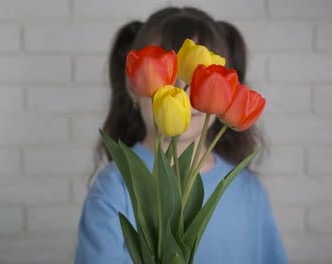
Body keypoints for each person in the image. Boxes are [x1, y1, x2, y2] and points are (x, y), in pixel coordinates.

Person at [75, 6, 287, 264]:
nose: (181, 93)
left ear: (227, 91)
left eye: (196, 80)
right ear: (133, 88)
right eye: (166, 78)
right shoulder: (114, 190)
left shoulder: (247, 190)